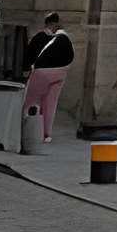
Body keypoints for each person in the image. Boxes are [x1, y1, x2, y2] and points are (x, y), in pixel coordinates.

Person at [21, 13, 75, 141]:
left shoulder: (39, 37)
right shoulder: (62, 38)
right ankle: (46, 134)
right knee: (50, 103)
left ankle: (28, 129)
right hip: (60, 72)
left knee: (31, 101)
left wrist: (25, 69)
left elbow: (29, 54)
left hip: (41, 72)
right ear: (54, 23)